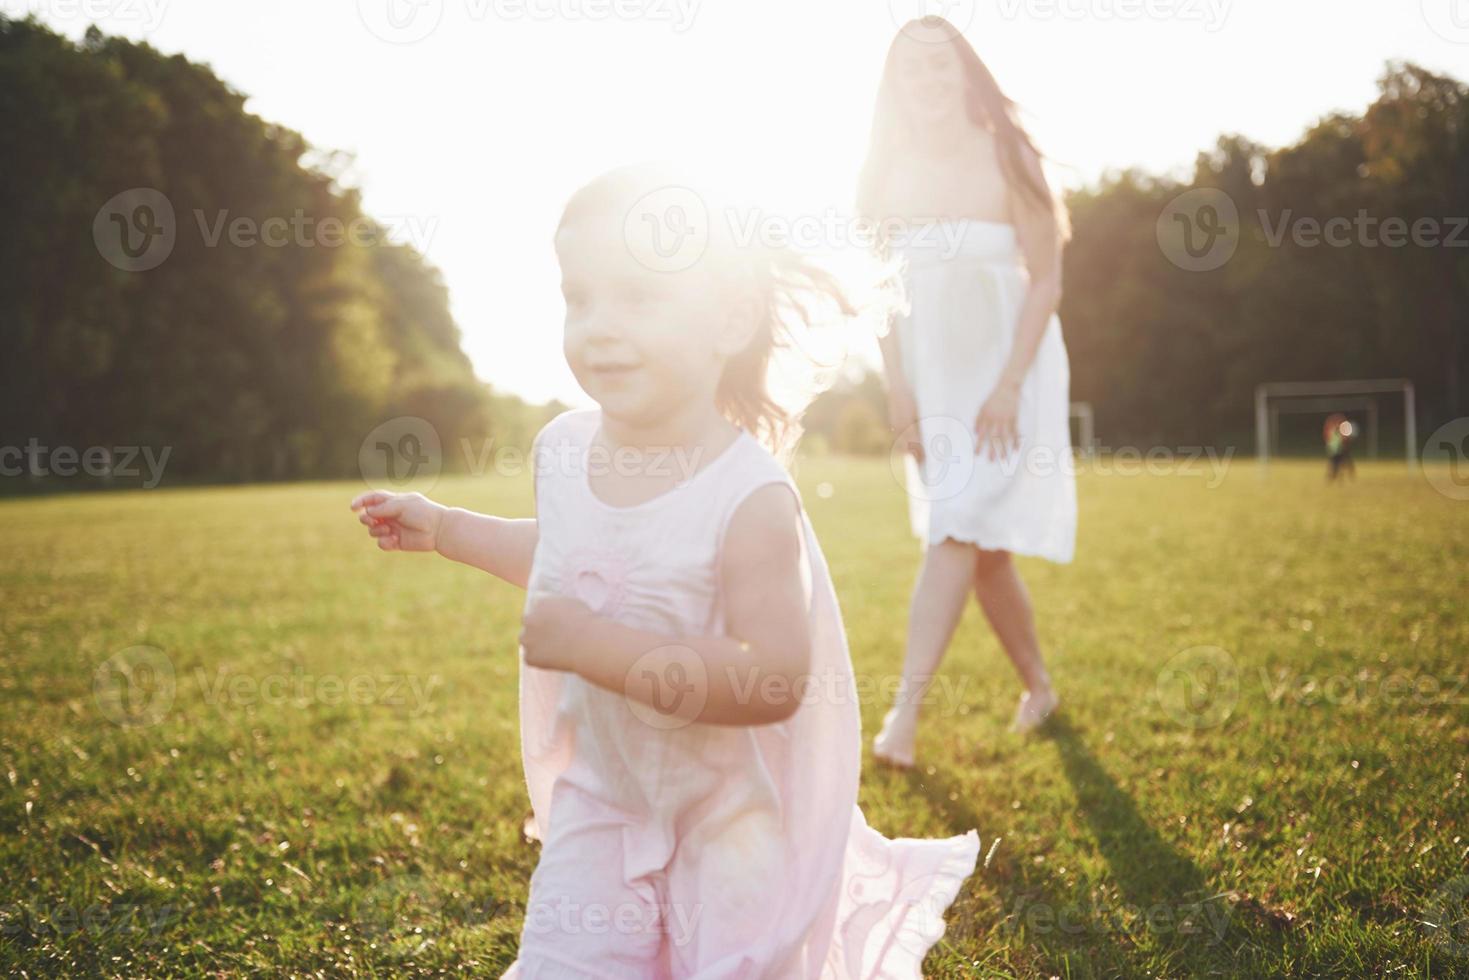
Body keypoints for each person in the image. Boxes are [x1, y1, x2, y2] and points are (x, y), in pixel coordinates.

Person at [351, 165, 979, 977]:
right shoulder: (564, 450)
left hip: (728, 821)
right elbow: (575, 562)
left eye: (639, 298)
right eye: (580, 298)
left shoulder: (748, 496)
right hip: (601, 804)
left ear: (727, 320)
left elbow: (772, 679)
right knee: (563, 964)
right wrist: (446, 529)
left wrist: (592, 646)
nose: (600, 327)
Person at [859, 17, 1078, 767]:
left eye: (937, 66)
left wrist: (1010, 385)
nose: (924, 82)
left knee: (954, 527)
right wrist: (897, 392)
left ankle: (901, 722)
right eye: (908, 70)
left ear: (962, 74)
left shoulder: (1006, 156)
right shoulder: (885, 175)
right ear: (895, 85)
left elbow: (1045, 274)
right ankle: (1039, 687)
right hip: (933, 388)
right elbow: (879, 295)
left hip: (1009, 380)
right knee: (979, 548)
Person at [1324, 413, 1356, 482]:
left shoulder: (1338, 431)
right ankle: (1334, 477)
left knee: (1341, 464)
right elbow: (1331, 442)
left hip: (1340, 450)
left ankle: (1337, 477)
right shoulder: (1333, 432)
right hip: (1336, 451)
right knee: (1336, 465)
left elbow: (1345, 439)